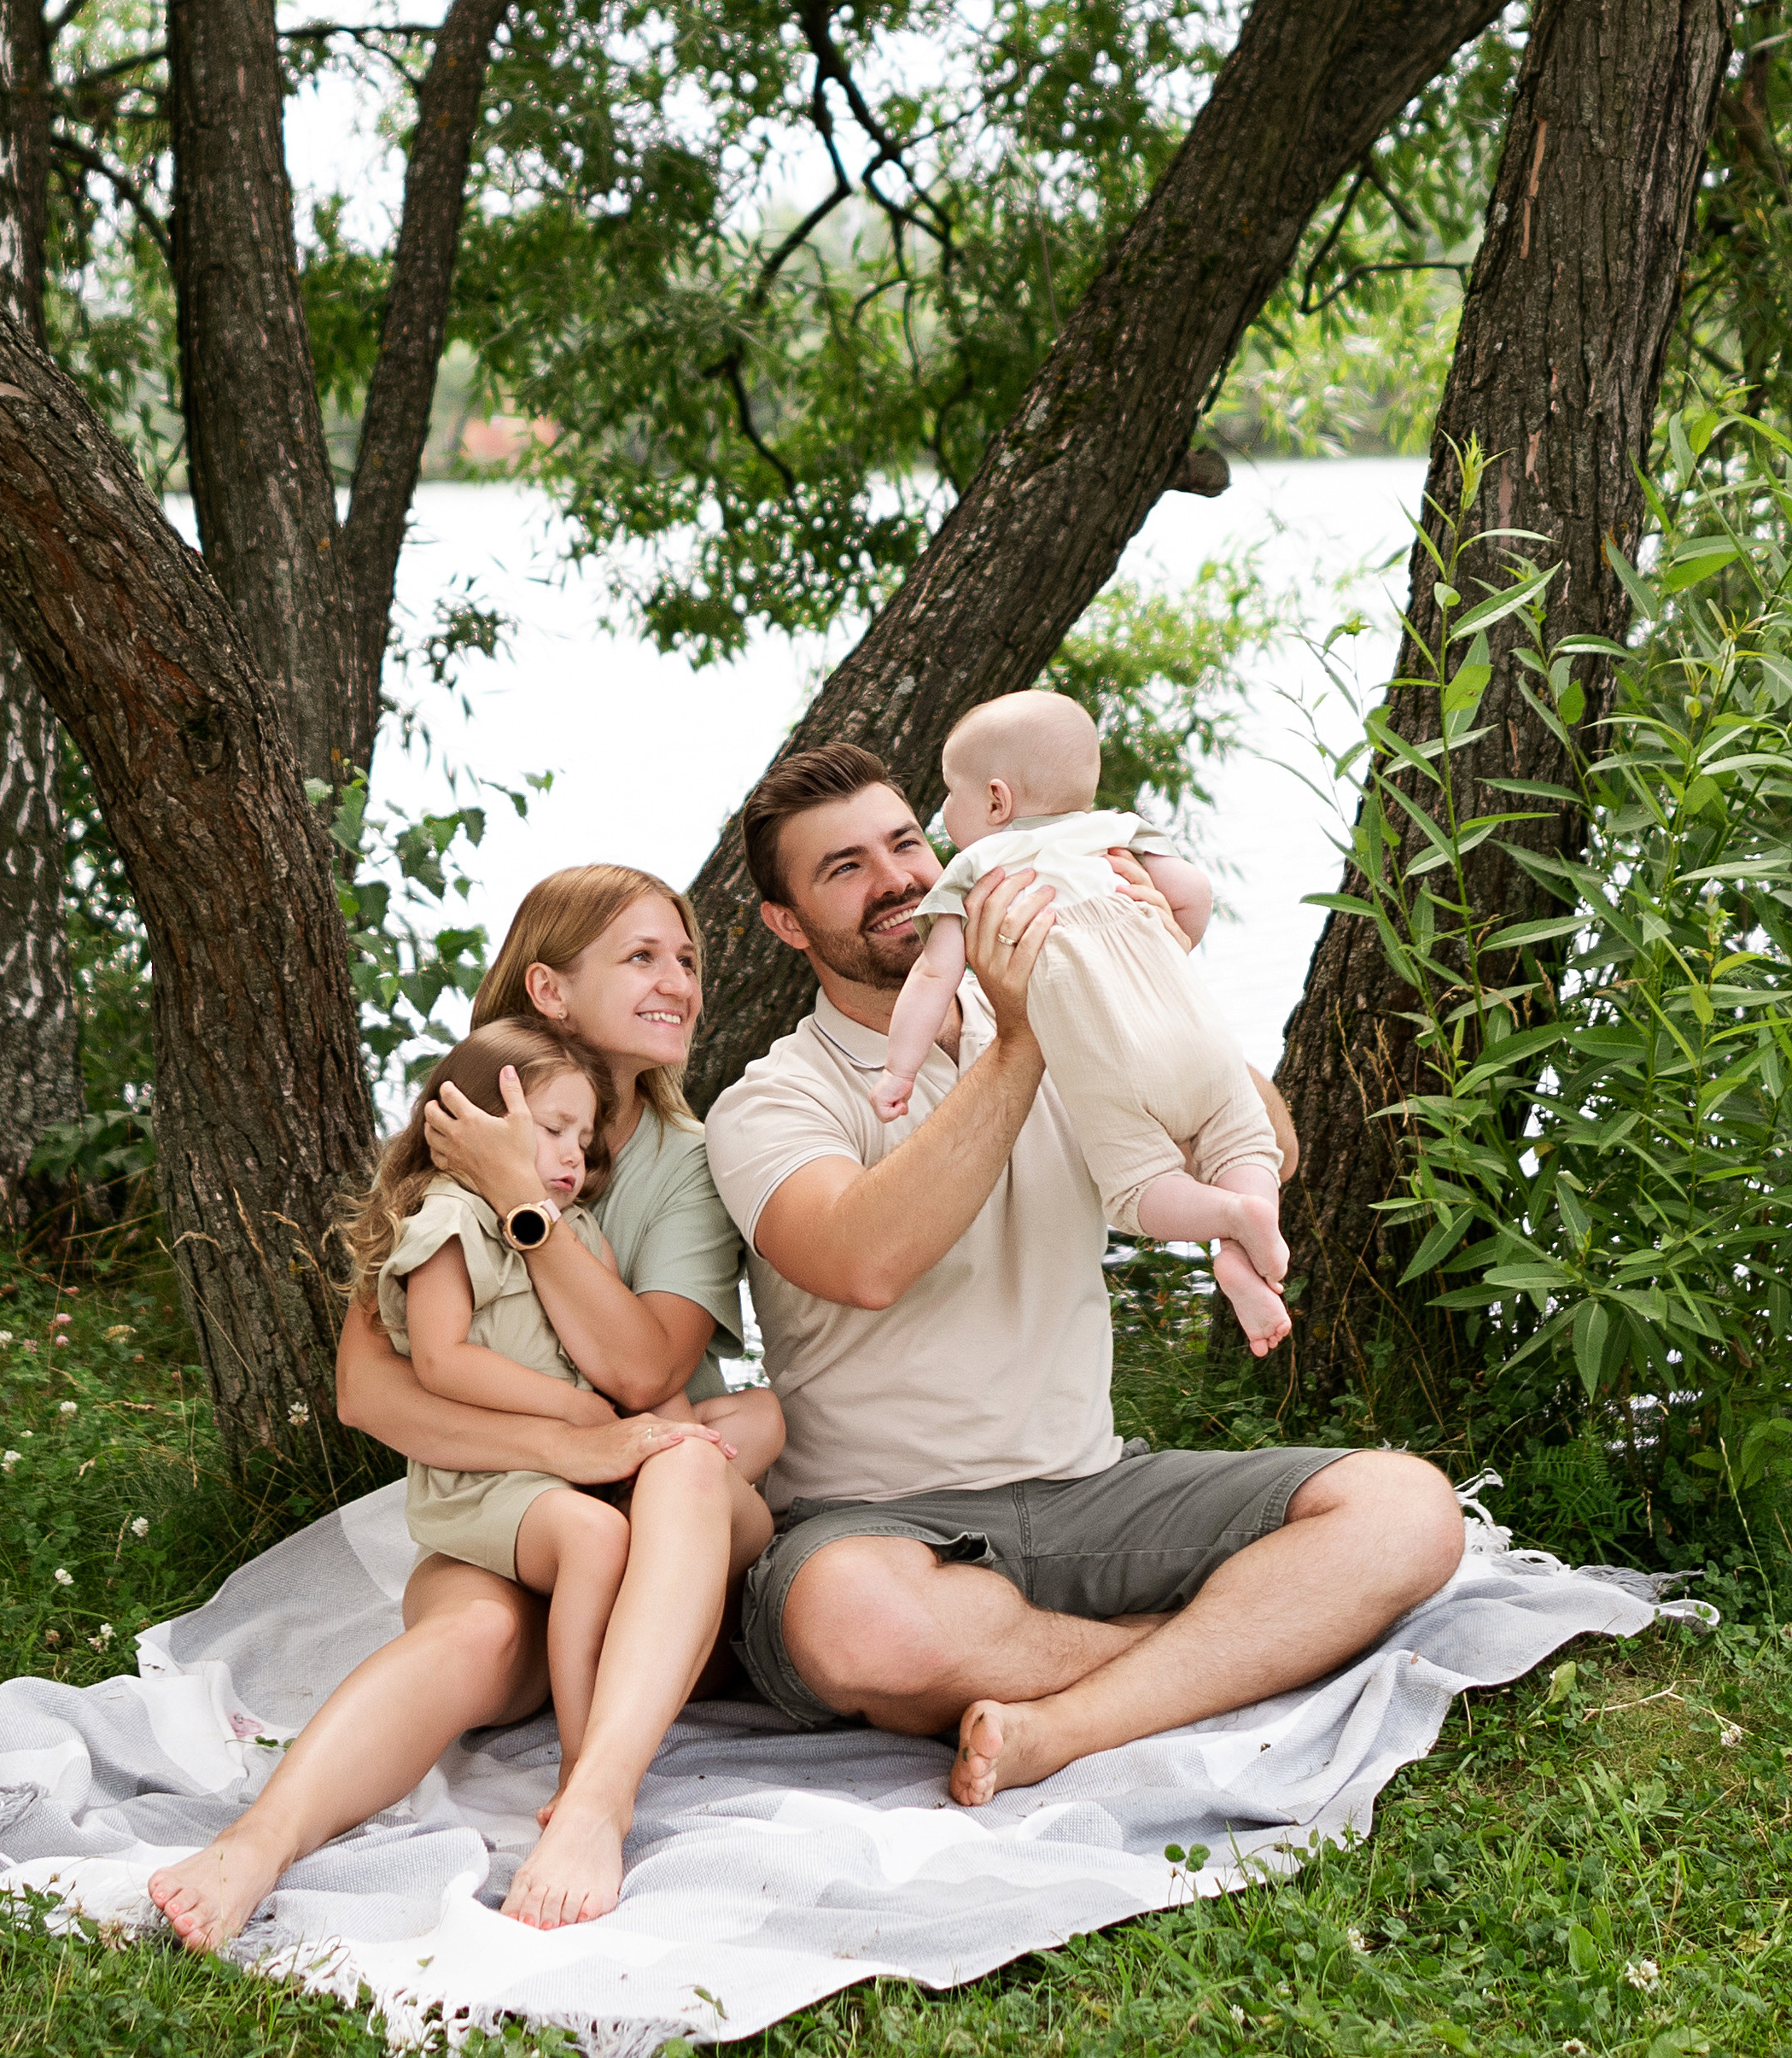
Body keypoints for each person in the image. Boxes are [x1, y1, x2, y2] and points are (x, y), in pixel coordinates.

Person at [703, 742, 1465, 1809]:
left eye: (906, 843)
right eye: (843, 869)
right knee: (852, 1621)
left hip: (1092, 1494)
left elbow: (1267, 1149)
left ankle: (1067, 1722)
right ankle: (1210, 1650)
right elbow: (863, 1259)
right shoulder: (771, 1101)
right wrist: (1019, 1039)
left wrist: (1141, 963)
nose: (897, 880)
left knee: (1406, 1510)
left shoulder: (1077, 1017)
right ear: (788, 923)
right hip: (877, 1523)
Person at [149, 866, 779, 1949]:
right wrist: (569, 1443)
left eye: (685, 959)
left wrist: (524, 1204)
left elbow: (643, 1375)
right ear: (547, 987)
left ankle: (594, 1800)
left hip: (673, 1514)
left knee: (688, 1454)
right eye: (640, 956)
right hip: (526, 1501)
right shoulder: (465, 1126)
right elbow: (373, 1390)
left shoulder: (688, 1158)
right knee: (472, 1632)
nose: (678, 980)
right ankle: (257, 1842)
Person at [353, 1019, 773, 1800]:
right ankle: (582, 1760)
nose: (575, 1155)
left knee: (748, 1426)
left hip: (565, 1470)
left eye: (584, 1138)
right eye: (552, 1131)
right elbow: (441, 1361)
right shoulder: (447, 1220)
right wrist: (574, 1417)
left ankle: (613, 1699)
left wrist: (671, 1436)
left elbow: (628, 1374)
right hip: (493, 1475)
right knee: (592, 1534)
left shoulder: (576, 1230)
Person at [874, 690, 1291, 1355]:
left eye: (951, 795)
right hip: (1196, 1034)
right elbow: (1192, 894)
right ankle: (1247, 1230)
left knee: (1140, 1191)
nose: (942, 814)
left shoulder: (977, 868)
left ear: (997, 801)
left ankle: (1227, 1218)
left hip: (1110, 1059)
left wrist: (899, 1070)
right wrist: (1168, 948)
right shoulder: (1116, 832)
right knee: (1245, 1144)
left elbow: (933, 976)